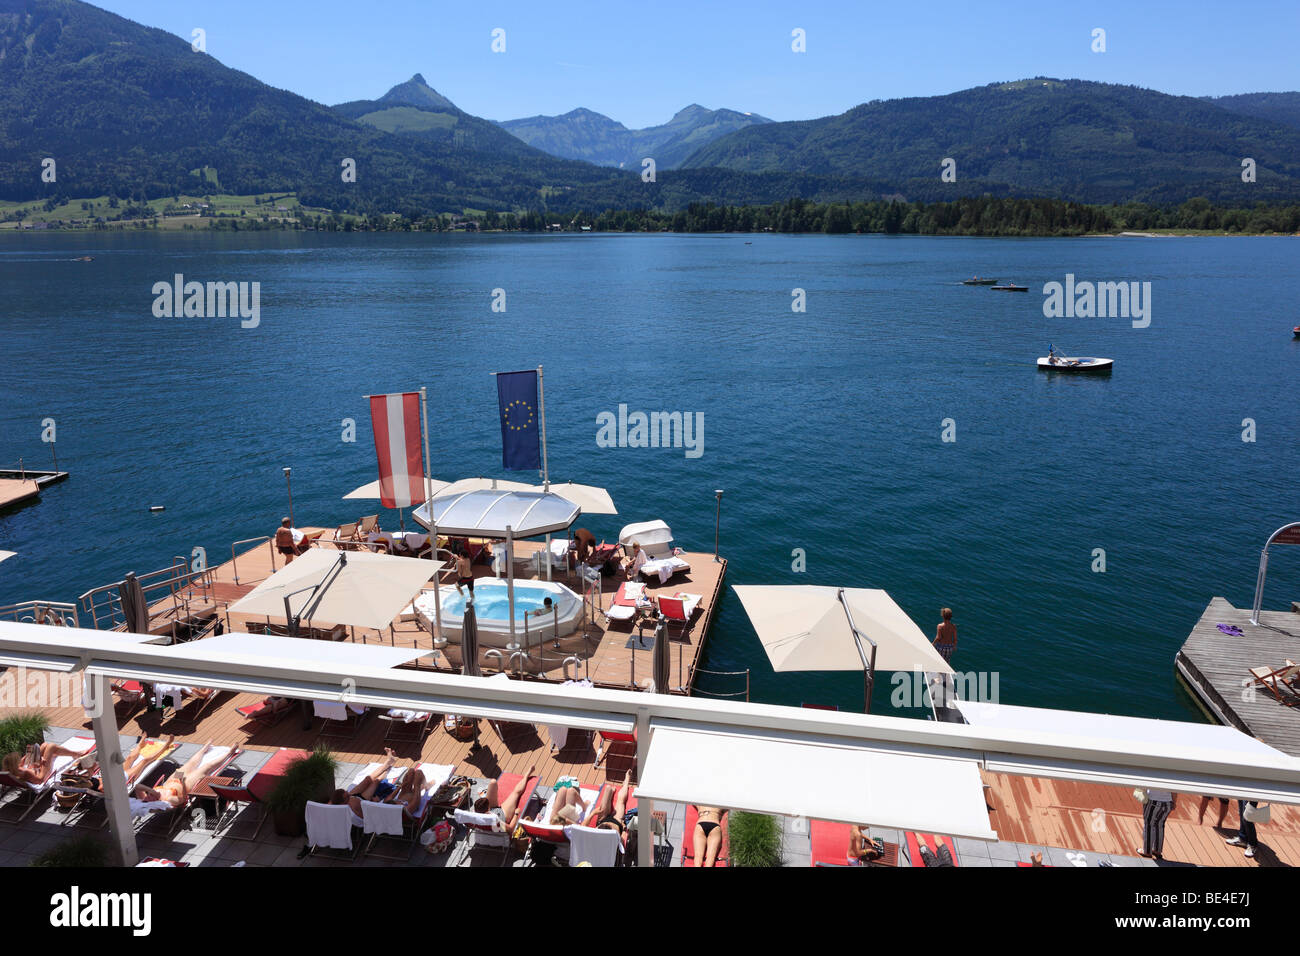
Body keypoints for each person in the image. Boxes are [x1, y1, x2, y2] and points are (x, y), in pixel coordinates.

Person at [132, 740, 238, 809]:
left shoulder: (146, 799)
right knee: (206, 767)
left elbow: (137, 786)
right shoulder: (168, 800)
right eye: (150, 799)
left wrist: (152, 792)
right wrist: (182, 784)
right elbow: (182, 799)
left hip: (172, 780)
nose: (148, 797)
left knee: (190, 764)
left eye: (147, 797)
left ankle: (203, 750)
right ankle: (229, 753)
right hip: (186, 785)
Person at [339, 748, 425, 817]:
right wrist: (374, 803)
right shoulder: (406, 809)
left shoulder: (387, 804)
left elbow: (389, 799)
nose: (399, 802)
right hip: (362, 803)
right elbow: (366, 817)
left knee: (368, 779)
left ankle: (389, 762)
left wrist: (402, 785)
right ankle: (389, 763)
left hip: (354, 798)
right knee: (376, 782)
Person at [473, 764, 537, 831]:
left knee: (493, 782)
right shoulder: (495, 820)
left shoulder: (472, 816)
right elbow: (511, 828)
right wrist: (516, 814)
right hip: (503, 814)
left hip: (489, 813)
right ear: (488, 808)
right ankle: (527, 775)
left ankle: (487, 800)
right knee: (516, 793)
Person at [1, 741, 88, 786]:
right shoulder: (26, 773)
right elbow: (39, 779)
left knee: (44, 745)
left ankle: (62, 753)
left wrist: (27, 757)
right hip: (43, 775)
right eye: (18, 760)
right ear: (15, 764)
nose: (20, 759)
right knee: (51, 747)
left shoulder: (14, 770)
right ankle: (76, 754)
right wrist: (42, 763)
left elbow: (24, 766)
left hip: (34, 769)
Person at [586, 770, 635, 844]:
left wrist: (592, 813)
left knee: (608, 788)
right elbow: (623, 840)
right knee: (620, 801)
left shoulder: (592, 838)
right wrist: (624, 827)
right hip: (617, 821)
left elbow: (582, 826)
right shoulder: (612, 842)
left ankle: (611, 791)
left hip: (602, 820)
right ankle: (626, 781)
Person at [1138, 789, 1175, 859]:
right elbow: (1175, 790)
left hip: (1153, 801)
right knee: (1160, 824)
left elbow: (1143, 786)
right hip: (1168, 802)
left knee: (1149, 824)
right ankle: (1157, 850)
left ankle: (1147, 851)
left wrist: (1143, 797)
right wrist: (1174, 802)